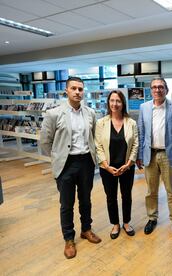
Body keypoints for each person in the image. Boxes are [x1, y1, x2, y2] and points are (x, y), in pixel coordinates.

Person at [40, 76, 101, 259]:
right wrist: (58, 157)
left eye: (80, 89)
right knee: (66, 204)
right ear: (66, 90)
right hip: (66, 165)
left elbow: (93, 137)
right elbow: (45, 141)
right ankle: (68, 238)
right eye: (73, 88)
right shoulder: (54, 114)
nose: (77, 92)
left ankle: (86, 229)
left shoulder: (90, 113)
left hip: (86, 163)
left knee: (86, 200)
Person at [136, 77, 172, 235]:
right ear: (150, 90)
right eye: (154, 87)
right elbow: (141, 132)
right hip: (149, 154)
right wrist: (138, 155)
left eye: (160, 87)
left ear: (166, 89)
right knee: (151, 191)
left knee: (171, 190)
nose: (157, 90)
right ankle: (152, 218)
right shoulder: (144, 107)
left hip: (168, 154)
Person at [95, 90, 138, 239]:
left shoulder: (131, 123)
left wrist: (128, 164)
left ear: (123, 103)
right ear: (108, 102)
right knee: (111, 197)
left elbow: (135, 145)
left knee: (127, 196)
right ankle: (115, 224)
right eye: (112, 100)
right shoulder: (101, 123)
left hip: (127, 167)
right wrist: (106, 166)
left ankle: (126, 222)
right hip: (107, 168)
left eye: (118, 101)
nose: (115, 104)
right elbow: (98, 146)